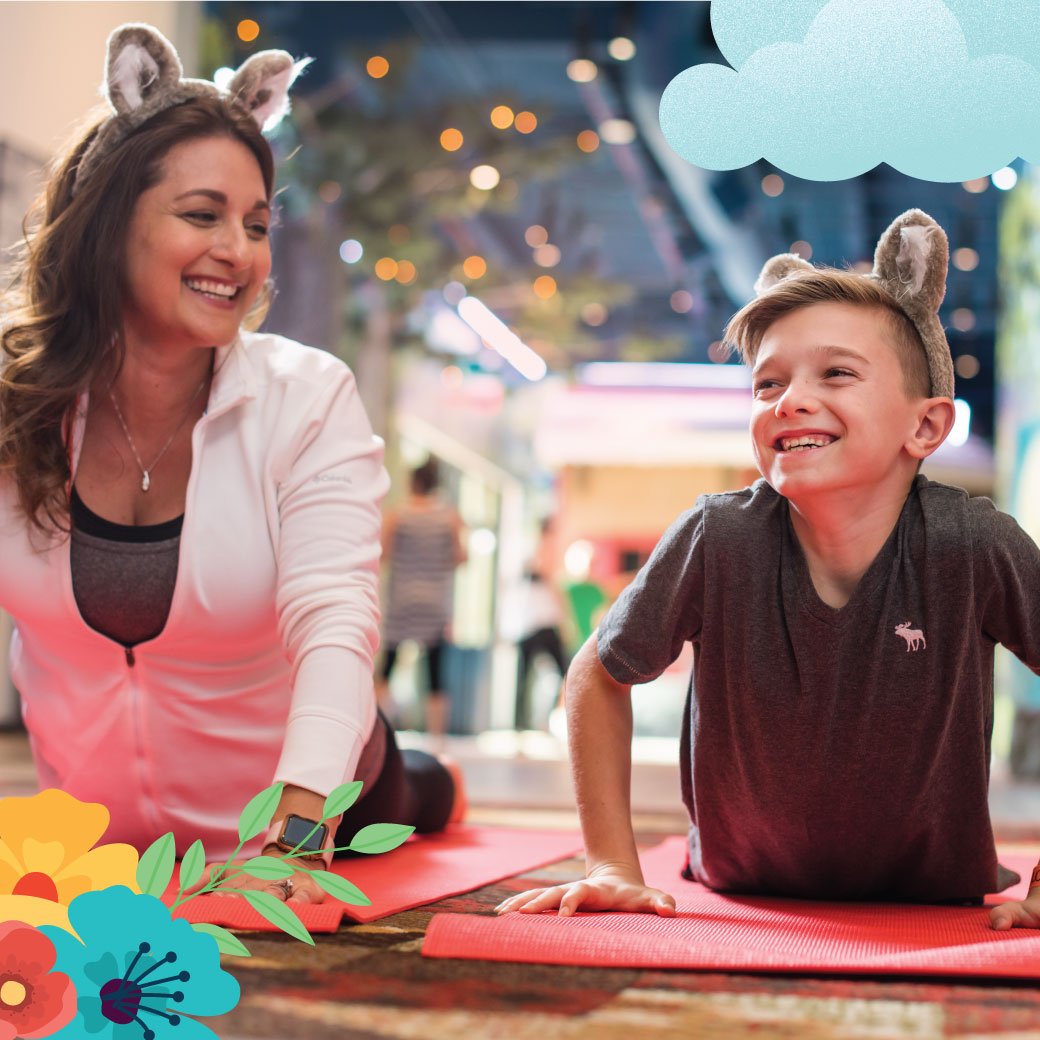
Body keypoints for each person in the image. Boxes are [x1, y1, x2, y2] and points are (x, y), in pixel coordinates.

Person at [0, 23, 461, 906]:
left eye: (256, 224)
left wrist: (292, 844)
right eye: (201, 215)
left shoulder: (306, 395)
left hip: (310, 792)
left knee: (421, 792)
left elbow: (335, 624)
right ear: (107, 221)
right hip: (101, 837)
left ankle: (425, 774)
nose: (239, 252)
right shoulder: (16, 403)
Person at [497, 209, 1040, 930]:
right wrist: (611, 865)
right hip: (742, 893)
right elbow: (596, 674)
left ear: (926, 426)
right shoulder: (717, 536)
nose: (790, 400)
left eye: (837, 373)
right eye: (767, 384)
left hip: (933, 900)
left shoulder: (969, 544)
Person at [377, 458, 467, 738]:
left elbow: (383, 553)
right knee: (436, 675)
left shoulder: (397, 515)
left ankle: (377, 732)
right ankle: (437, 739)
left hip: (402, 600)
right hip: (435, 604)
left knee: (387, 669)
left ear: (412, 483)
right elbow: (461, 557)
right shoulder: (449, 517)